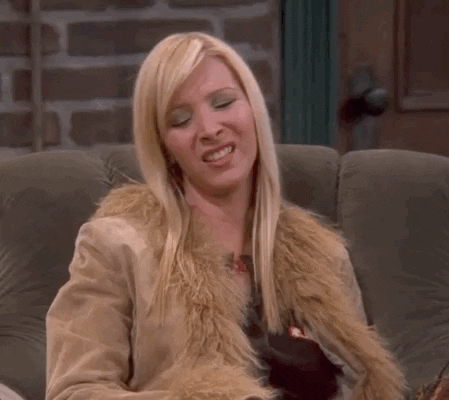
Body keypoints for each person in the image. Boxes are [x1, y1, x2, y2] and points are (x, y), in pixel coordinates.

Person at [45, 32, 406, 400]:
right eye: (181, 120)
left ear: (252, 109)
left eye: (223, 102)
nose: (209, 129)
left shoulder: (326, 259)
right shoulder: (117, 247)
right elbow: (75, 392)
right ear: (164, 146)